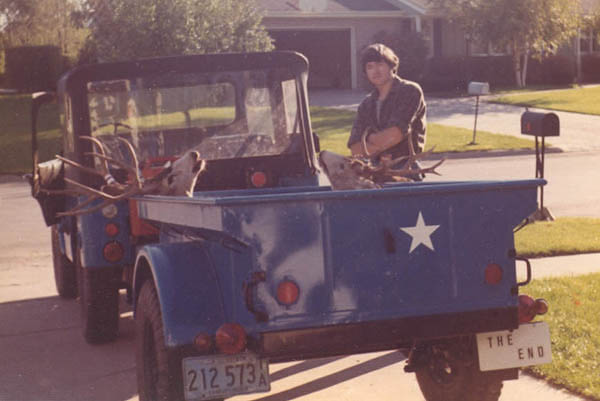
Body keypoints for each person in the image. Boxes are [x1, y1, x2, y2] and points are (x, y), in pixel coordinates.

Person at [347, 43, 427, 180]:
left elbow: (395, 134)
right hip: (375, 173)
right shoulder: (366, 104)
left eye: (380, 64)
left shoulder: (409, 91)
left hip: (405, 172)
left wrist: (369, 138)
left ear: (392, 66)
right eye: (369, 67)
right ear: (365, 73)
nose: (375, 71)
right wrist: (380, 142)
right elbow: (355, 149)